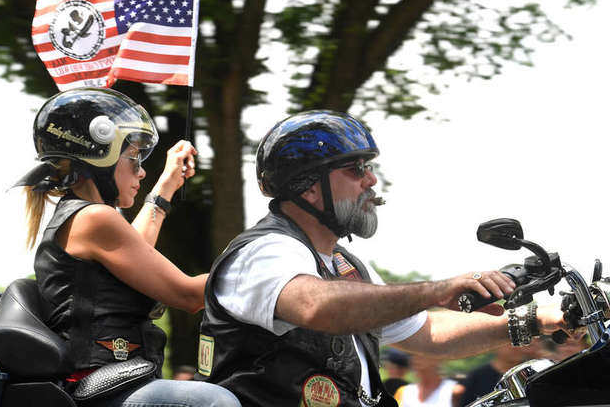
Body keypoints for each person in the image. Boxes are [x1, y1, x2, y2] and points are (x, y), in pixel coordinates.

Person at [196, 110, 570, 407]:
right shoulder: (262, 251)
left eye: (368, 168)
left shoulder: (345, 264)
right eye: (356, 169)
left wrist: (538, 320)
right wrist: (436, 291)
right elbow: (314, 306)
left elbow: (428, 334)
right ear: (308, 188)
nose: (371, 180)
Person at [15, 88, 240, 407]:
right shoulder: (94, 218)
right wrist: (276, 281)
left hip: (113, 380)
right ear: (99, 160)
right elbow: (187, 294)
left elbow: (137, 253)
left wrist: (166, 186)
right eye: (133, 159)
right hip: (100, 386)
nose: (141, 171)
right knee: (214, 401)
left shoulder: (82, 217)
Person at [455, 344, 529, 406]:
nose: (517, 348)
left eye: (520, 344)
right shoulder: (478, 376)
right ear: (497, 346)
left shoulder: (530, 372)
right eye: (509, 344)